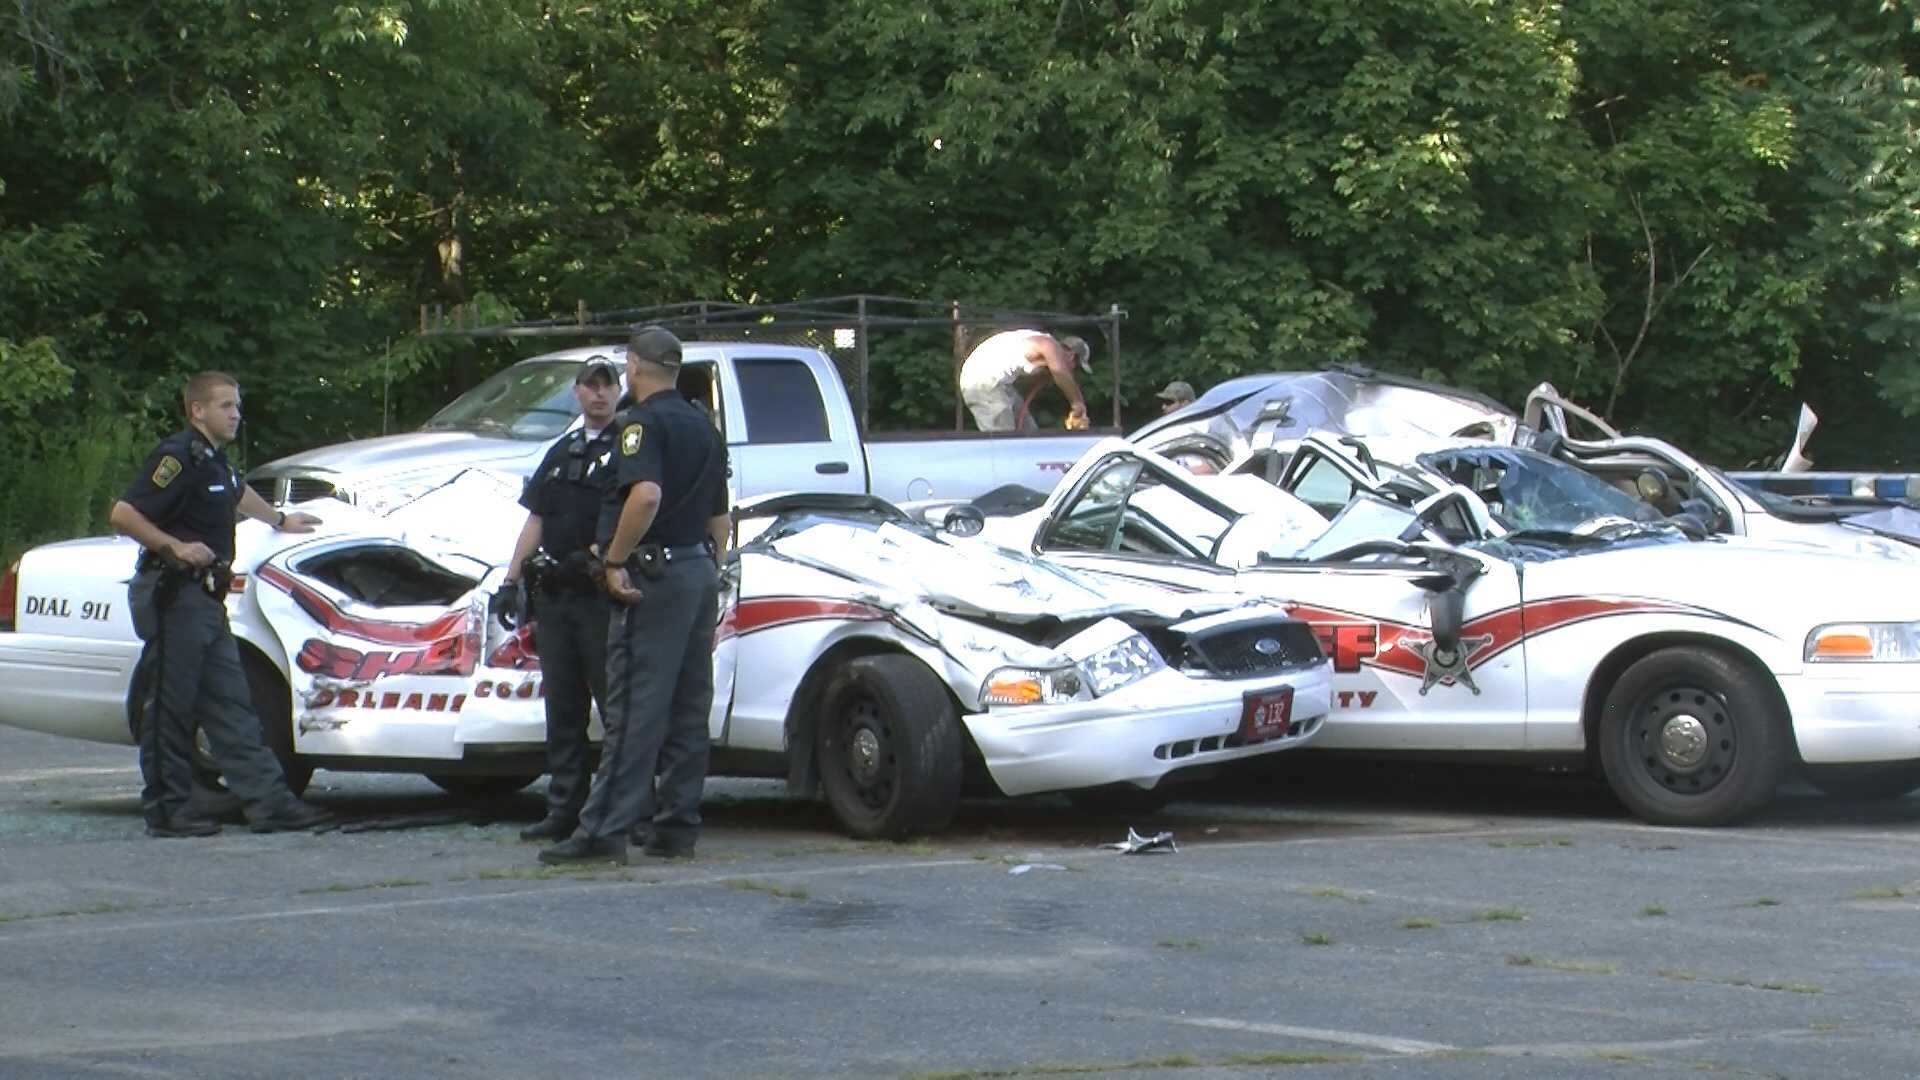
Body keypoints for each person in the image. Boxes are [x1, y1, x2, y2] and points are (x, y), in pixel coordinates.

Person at [109, 372, 334, 838]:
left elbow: (236, 493)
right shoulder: (176, 458)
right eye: (225, 406)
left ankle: (270, 805)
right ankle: (168, 810)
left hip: (206, 601)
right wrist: (174, 546)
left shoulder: (214, 462)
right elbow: (124, 513)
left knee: (234, 706)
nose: (236, 413)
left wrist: (280, 519)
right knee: (171, 707)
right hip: (175, 596)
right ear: (197, 411)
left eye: (237, 405)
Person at [539, 325, 730, 865]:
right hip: (697, 571)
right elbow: (720, 516)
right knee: (690, 706)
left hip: (655, 574)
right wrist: (711, 569)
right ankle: (677, 825)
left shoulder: (641, 425)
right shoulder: (703, 426)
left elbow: (645, 495)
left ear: (634, 367)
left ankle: (603, 830)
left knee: (635, 709)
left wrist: (616, 559)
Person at [500, 355, 623, 842]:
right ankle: (564, 808)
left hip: (599, 593)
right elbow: (536, 518)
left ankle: (622, 810)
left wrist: (599, 556)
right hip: (556, 596)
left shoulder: (629, 447)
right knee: (564, 709)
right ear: (576, 392)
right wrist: (511, 580)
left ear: (618, 392)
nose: (598, 394)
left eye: (606, 385)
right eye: (590, 386)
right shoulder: (563, 449)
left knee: (615, 707)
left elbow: (636, 513)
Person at [958, 329, 1091, 433]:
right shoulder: (1049, 344)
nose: (1072, 372)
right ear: (1072, 356)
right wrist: (1077, 403)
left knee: (1028, 432)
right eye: (1075, 367)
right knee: (1003, 440)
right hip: (983, 381)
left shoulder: (1040, 344)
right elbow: (1060, 372)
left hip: (997, 383)